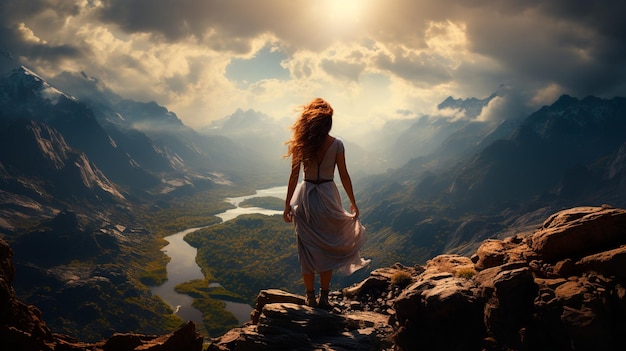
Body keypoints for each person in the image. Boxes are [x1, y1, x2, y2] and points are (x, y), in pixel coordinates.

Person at [283, 97, 370, 310]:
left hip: (306, 199)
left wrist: (287, 204)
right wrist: (353, 203)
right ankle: (324, 298)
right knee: (327, 247)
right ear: (328, 122)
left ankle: (309, 297)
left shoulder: (301, 144)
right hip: (329, 196)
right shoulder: (337, 144)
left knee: (306, 249)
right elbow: (344, 176)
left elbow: (294, 177)